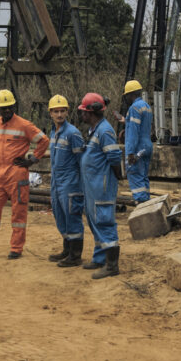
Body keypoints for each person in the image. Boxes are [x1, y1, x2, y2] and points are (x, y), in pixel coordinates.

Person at [0, 89, 48, 260]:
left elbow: (43, 140)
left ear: (13, 106)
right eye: (3, 108)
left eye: (9, 107)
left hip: (17, 175)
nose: (6, 111)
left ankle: (16, 249)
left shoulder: (24, 125)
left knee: (18, 213)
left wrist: (32, 160)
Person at [77, 93, 122, 279]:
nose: (81, 115)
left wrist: (116, 179)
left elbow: (114, 158)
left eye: (83, 111)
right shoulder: (94, 130)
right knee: (94, 219)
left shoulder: (105, 131)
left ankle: (112, 266)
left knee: (104, 220)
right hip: (92, 185)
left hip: (101, 185)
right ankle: (100, 258)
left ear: (91, 113)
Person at [45, 95, 86, 268]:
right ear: (50, 113)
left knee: (72, 217)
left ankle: (75, 255)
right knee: (60, 216)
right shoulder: (53, 133)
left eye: (62, 111)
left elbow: (82, 160)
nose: (59, 114)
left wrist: (82, 185)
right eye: (56, 111)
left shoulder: (73, 133)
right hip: (56, 182)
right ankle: (67, 250)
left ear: (67, 112)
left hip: (70, 182)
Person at [122, 80, 154, 203]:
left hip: (137, 149)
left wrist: (130, 152)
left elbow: (133, 133)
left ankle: (142, 206)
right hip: (147, 147)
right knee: (143, 177)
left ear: (130, 95)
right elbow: (144, 126)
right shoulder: (146, 106)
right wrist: (125, 121)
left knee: (135, 176)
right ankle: (148, 205)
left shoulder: (134, 108)